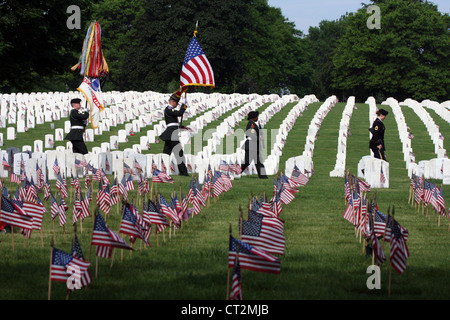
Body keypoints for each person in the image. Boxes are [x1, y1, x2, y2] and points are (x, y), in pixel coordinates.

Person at [159, 93, 189, 176]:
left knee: (166, 154)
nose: (177, 105)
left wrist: (182, 127)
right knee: (179, 154)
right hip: (172, 135)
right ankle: (183, 173)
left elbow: (173, 124)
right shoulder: (168, 109)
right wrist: (184, 105)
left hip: (171, 134)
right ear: (172, 101)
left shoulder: (170, 110)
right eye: (176, 103)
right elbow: (179, 113)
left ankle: (161, 170)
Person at [240, 110, 268, 179]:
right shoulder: (251, 124)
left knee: (259, 162)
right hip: (251, 146)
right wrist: (259, 137)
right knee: (247, 162)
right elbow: (251, 134)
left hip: (255, 146)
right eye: (256, 117)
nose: (257, 118)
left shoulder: (254, 124)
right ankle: (236, 172)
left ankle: (263, 176)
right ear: (253, 118)